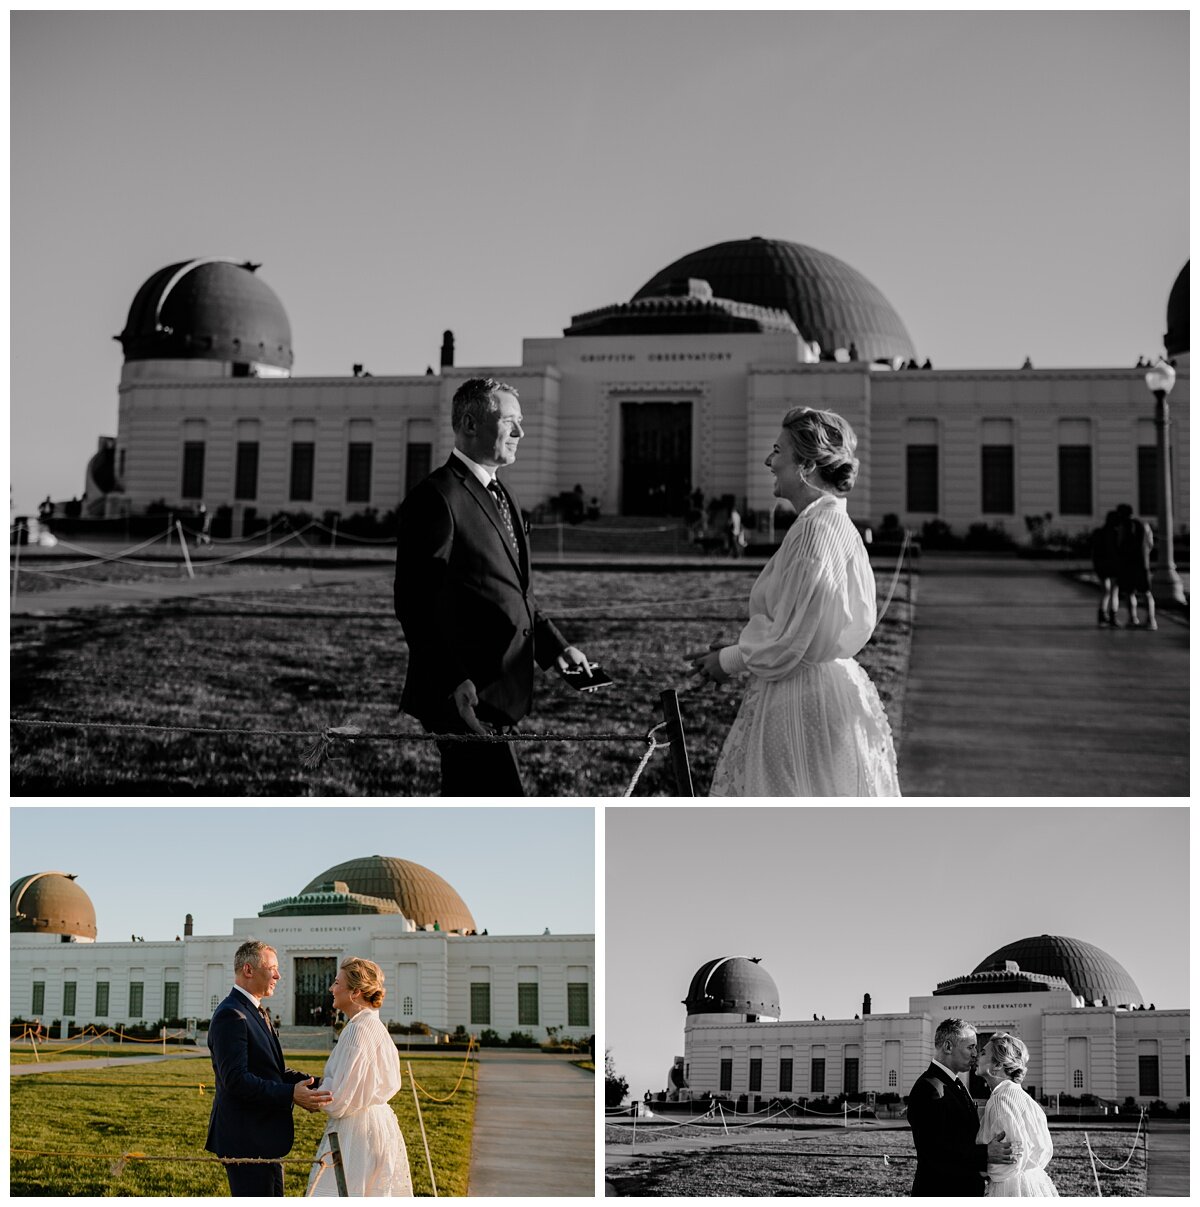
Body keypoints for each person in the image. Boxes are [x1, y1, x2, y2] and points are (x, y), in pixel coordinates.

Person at [394, 377, 591, 795]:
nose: (521, 433)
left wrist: (556, 649)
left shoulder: (506, 496)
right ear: (469, 423)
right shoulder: (437, 497)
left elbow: (517, 592)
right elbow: (414, 604)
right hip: (466, 698)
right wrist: (452, 681)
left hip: (500, 692)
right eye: (510, 422)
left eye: (521, 422)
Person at [688, 407, 899, 795]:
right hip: (821, 690)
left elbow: (790, 643)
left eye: (777, 451)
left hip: (802, 705)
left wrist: (729, 659)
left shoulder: (815, 533)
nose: (769, 461)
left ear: (805, 464)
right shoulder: (832, 525)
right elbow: (801, 628)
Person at [206, 940, 333, 1196]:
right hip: (246, 1139)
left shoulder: (253, 1011)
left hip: (263, 1137)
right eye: (272, 968)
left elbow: (272, 1069)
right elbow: (237, 1080)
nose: (278, 975)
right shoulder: (231, 1015)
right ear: (248, 970)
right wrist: (291, 1095)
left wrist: (320, 1083)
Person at [306, 958, 412, 1197]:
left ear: (355, 992)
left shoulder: (357, 1030)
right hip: (380, 1125)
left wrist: (309, 1095)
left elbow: (340, 1098)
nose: (331, 989)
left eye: (336, 983)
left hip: (356, 1131)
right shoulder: (375, 1026)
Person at [908, 1018, 1015, 1196]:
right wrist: (985, 1153)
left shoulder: (953, 1083)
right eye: (970, 1047)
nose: (975, 1054)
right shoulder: (929, 1088)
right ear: (948, 1047)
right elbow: (934, 1151)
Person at [975, 1032, 1058, 1197]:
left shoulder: (1000, 1100)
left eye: (983, 1053)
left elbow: (1009, 1158)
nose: (977, 1056)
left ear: (998, 1064)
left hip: (1009, 1188)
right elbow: (1044, 1150)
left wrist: (981, 1169)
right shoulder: (1028, 1100)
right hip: (1036, 1183)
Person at [1114, 503, 1156, 629]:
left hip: (1128, 564)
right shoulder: (1145, 525)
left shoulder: (1123, 526)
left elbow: (1119, 544)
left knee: (1129, 592)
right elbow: (1150, 544)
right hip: (1143, 564)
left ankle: (1133, 619)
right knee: (1146, 593)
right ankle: (1151, 621)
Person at [1090, 511, 1121, 626]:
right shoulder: (1116, 534)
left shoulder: (1099, 532)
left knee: (1105, 591)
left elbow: (1094, 551)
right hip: (1113, 566)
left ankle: (1102, 614)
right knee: (1114, 592)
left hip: (1101, 566)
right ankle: (1113, 615)